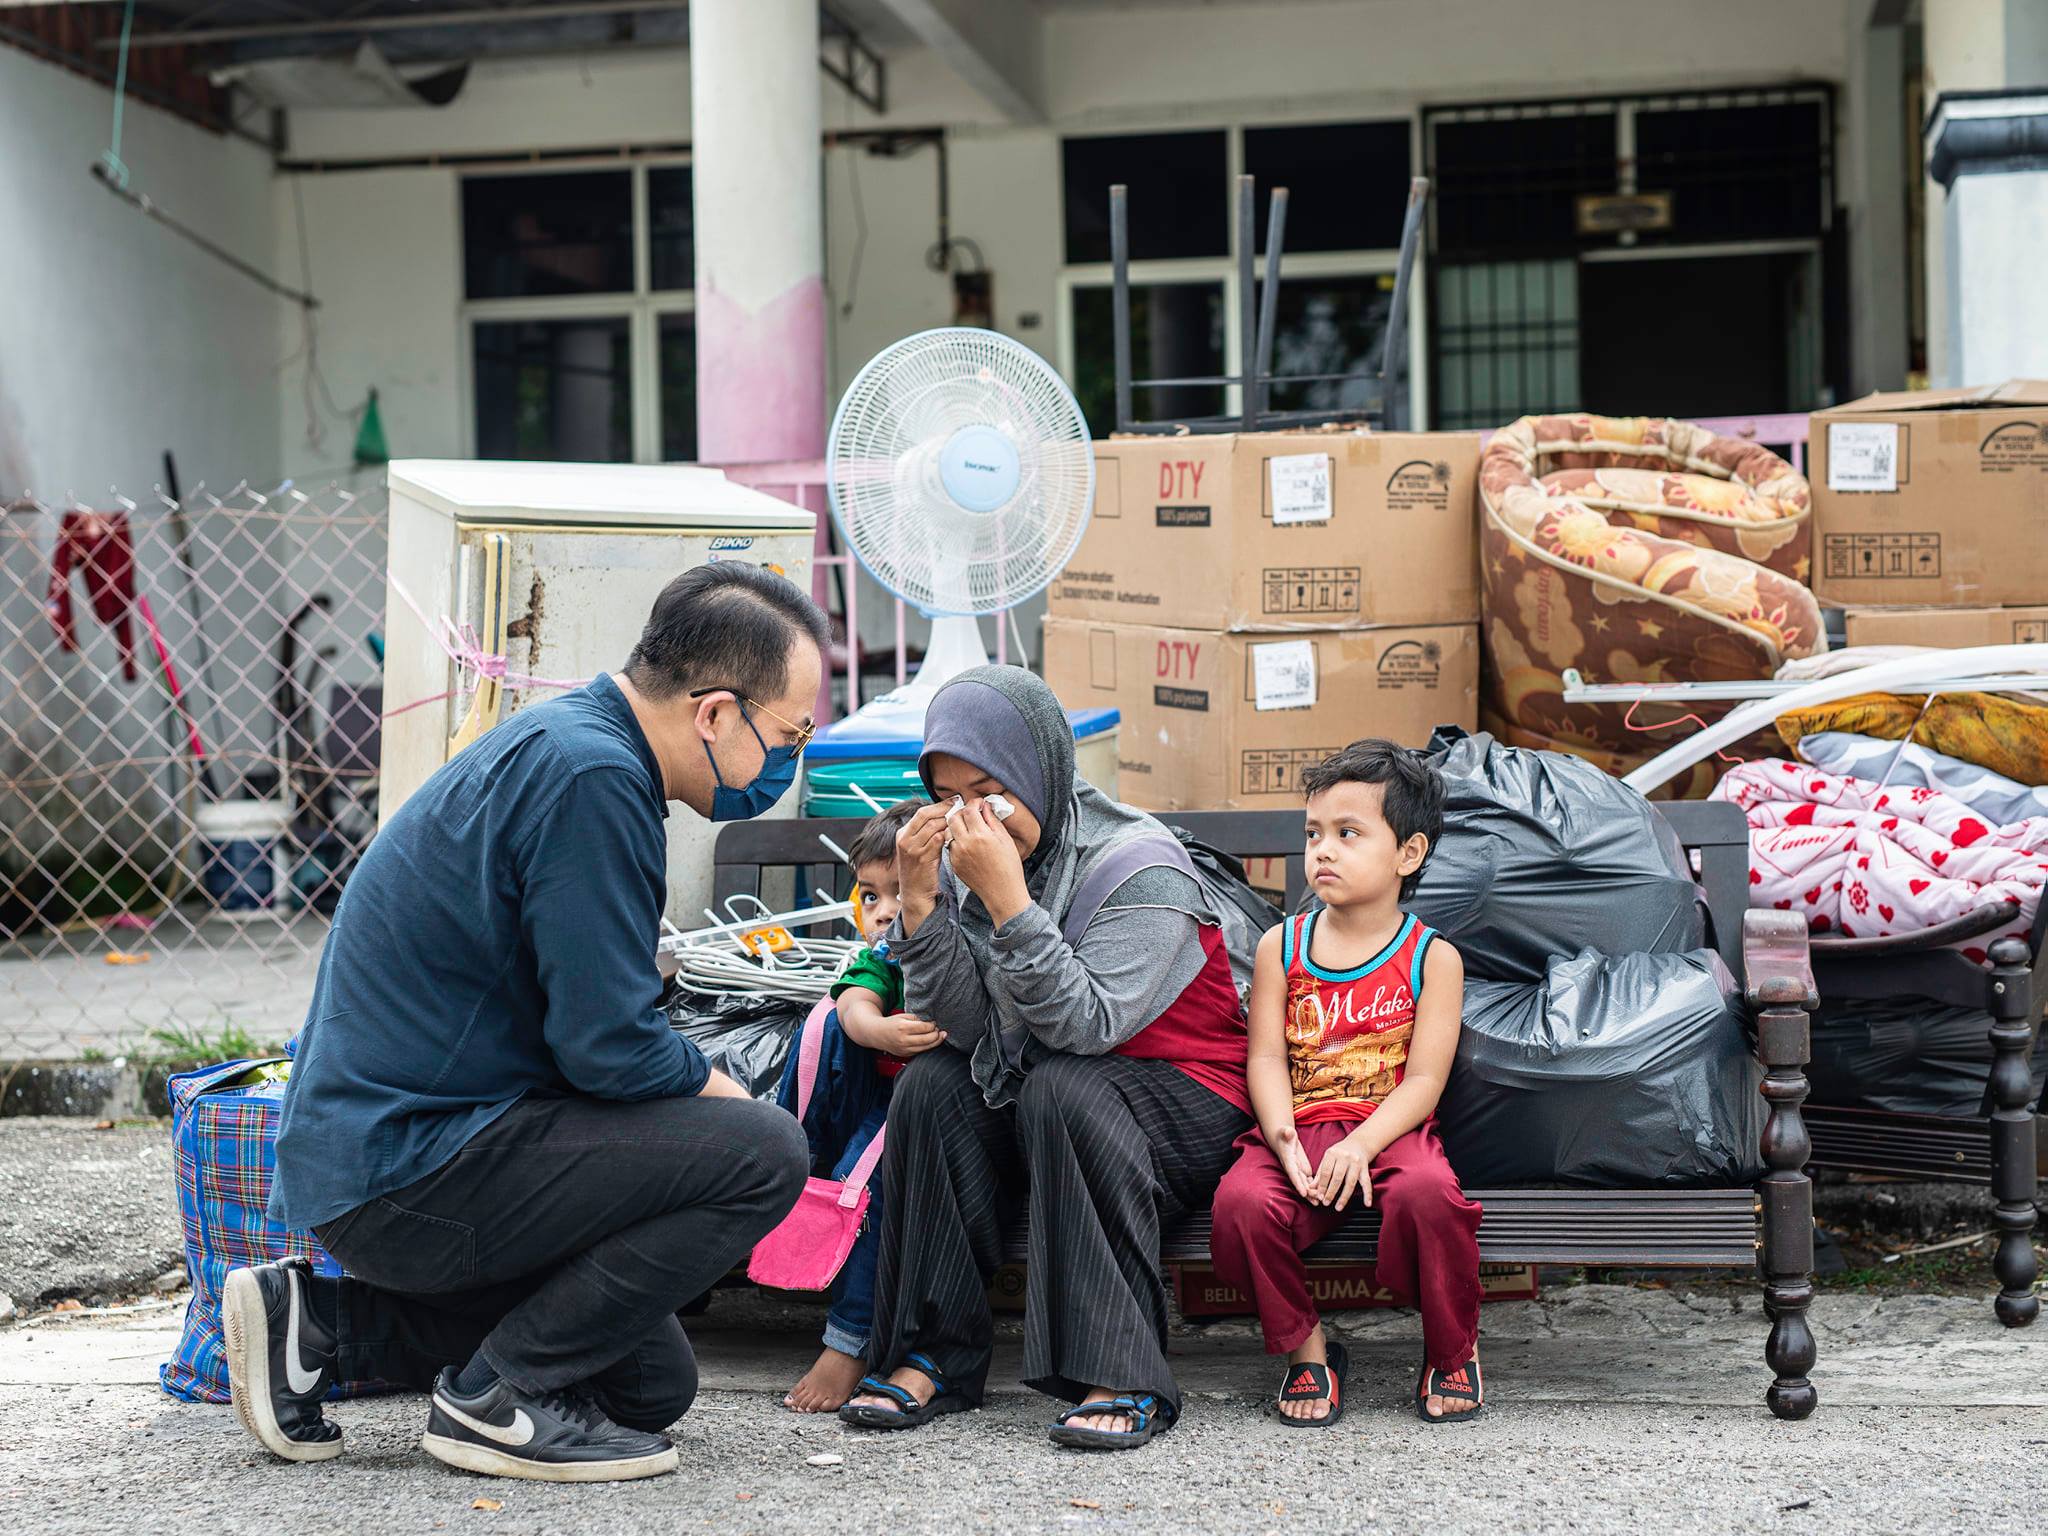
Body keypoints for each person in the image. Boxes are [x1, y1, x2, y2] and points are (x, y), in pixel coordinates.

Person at [218, 561, 828, 1482]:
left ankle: (323, 1332)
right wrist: (725, 1095)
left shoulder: (573, 745)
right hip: (410, 1167)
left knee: (647, 1384)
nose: (791, 760)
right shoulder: (592, 778)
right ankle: (493, 1403)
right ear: (713, 712)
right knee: (765, 1151)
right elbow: (610, 1049)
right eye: (791, 733)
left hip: (388, 1154)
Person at [838, 666, 1254, 1452]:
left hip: (1189, 1097)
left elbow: (1086, 1024)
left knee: (1066, 1086)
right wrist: (924, 909)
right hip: (1049, 1091)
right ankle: (934, 1354)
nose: (970, 817)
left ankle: (1122, 1372)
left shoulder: (1143, 867)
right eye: (949, 796)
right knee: (931, 1086)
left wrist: (1009, 905)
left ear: (1041, 770)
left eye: (990, 789)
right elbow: (962, 1029)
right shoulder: (976, 857)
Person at [1208, 739, 1485, 1427]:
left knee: (1430, 1195)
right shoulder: (1283, 945)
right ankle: (1310, 1353)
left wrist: (1362, 1144)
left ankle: (1452, 1349)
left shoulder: (1433, 958)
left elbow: (1424, 1079)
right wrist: (1280, 1139)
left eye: (1348, 833)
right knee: (1241, 1205)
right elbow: (1267, 1059)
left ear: (1409, 854)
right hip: (1298, 1126)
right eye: (1313, 834)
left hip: (1389, 1128)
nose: (1322, 851)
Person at [775, 798, 949, 1413]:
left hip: (936, 1117)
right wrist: (874, 1029)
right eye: (869, 897)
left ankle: (850, 1340)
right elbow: (855, 998)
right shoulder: (883, 957)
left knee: (865, 1180)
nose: (881, 915)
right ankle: (798, 1162)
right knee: (825, 1024)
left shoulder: (952, 948)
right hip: (879, 1099)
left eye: (897, 894)